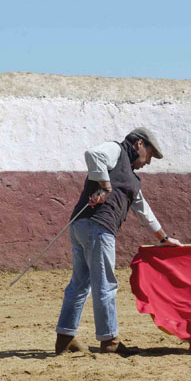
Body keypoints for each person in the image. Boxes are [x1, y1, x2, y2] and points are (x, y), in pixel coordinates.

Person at [55, 127, 183, 356]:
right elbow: (93, 154)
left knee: (80, 284)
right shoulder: (116, 150)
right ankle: (109, 340)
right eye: (150, 155)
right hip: (97, 227)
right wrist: (105, 185)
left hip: (82, 226)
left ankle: (65, 337)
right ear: (139, 144)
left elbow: (144, 211)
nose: (149, 162)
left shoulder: (132, 179)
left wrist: (163, 239)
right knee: (105, 283)